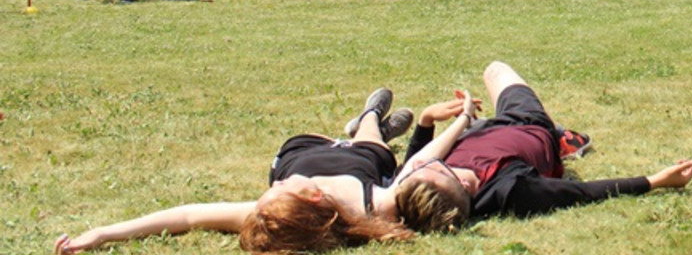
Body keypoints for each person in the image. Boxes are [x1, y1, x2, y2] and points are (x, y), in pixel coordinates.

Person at [52, 88, 474, 254]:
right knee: (372, 149)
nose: (275, 189)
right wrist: (461, 119)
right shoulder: (375, 209)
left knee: (341, 139)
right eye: (280, 190)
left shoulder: (269, 211)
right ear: (312, 199)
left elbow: (185, 215)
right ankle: (370, 122)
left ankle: (369, 115)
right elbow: (423, 164)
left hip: (300, 153)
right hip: (360, 165)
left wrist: (103, 233)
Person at [394, 61, 692, 230]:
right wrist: (654, 182)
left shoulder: (422, 180)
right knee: (497, 69)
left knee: (490, 72)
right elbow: (584, 192)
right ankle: (560, 138)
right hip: (527, 121)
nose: (424, 162)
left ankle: (561, 136)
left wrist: (427, 121)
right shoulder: (514, 190)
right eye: (433, 167)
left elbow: (413, 162)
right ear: (462, 183)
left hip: (484, 128)